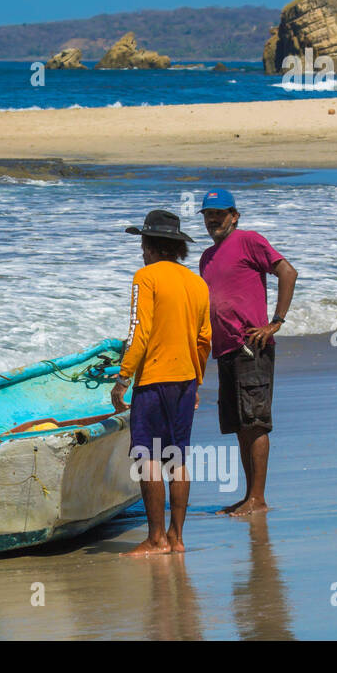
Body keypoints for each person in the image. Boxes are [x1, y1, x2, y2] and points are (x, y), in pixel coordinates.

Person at [110, 210, 212, 557]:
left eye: (142, 243)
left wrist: (123, 377)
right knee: (178, 458)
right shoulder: (197, 283)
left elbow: (140, 332)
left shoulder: (146, 277)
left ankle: (155, 540)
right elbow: (204, 340)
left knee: (148, 458)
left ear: (150, 246)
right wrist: (196, 382)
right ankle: (177, 538)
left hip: (153, 380)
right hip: (185, 381)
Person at [198, 189, 297, 517]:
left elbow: (288, 271)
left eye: (220, 213)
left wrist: (275, 323)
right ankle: (249, 496)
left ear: (234, 216)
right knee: (241, 424)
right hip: (224, 350)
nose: (213, 219)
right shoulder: (206, 258)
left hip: (251, 346)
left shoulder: (249, 240)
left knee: (255, 423)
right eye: (208, 214)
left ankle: (258, 498)